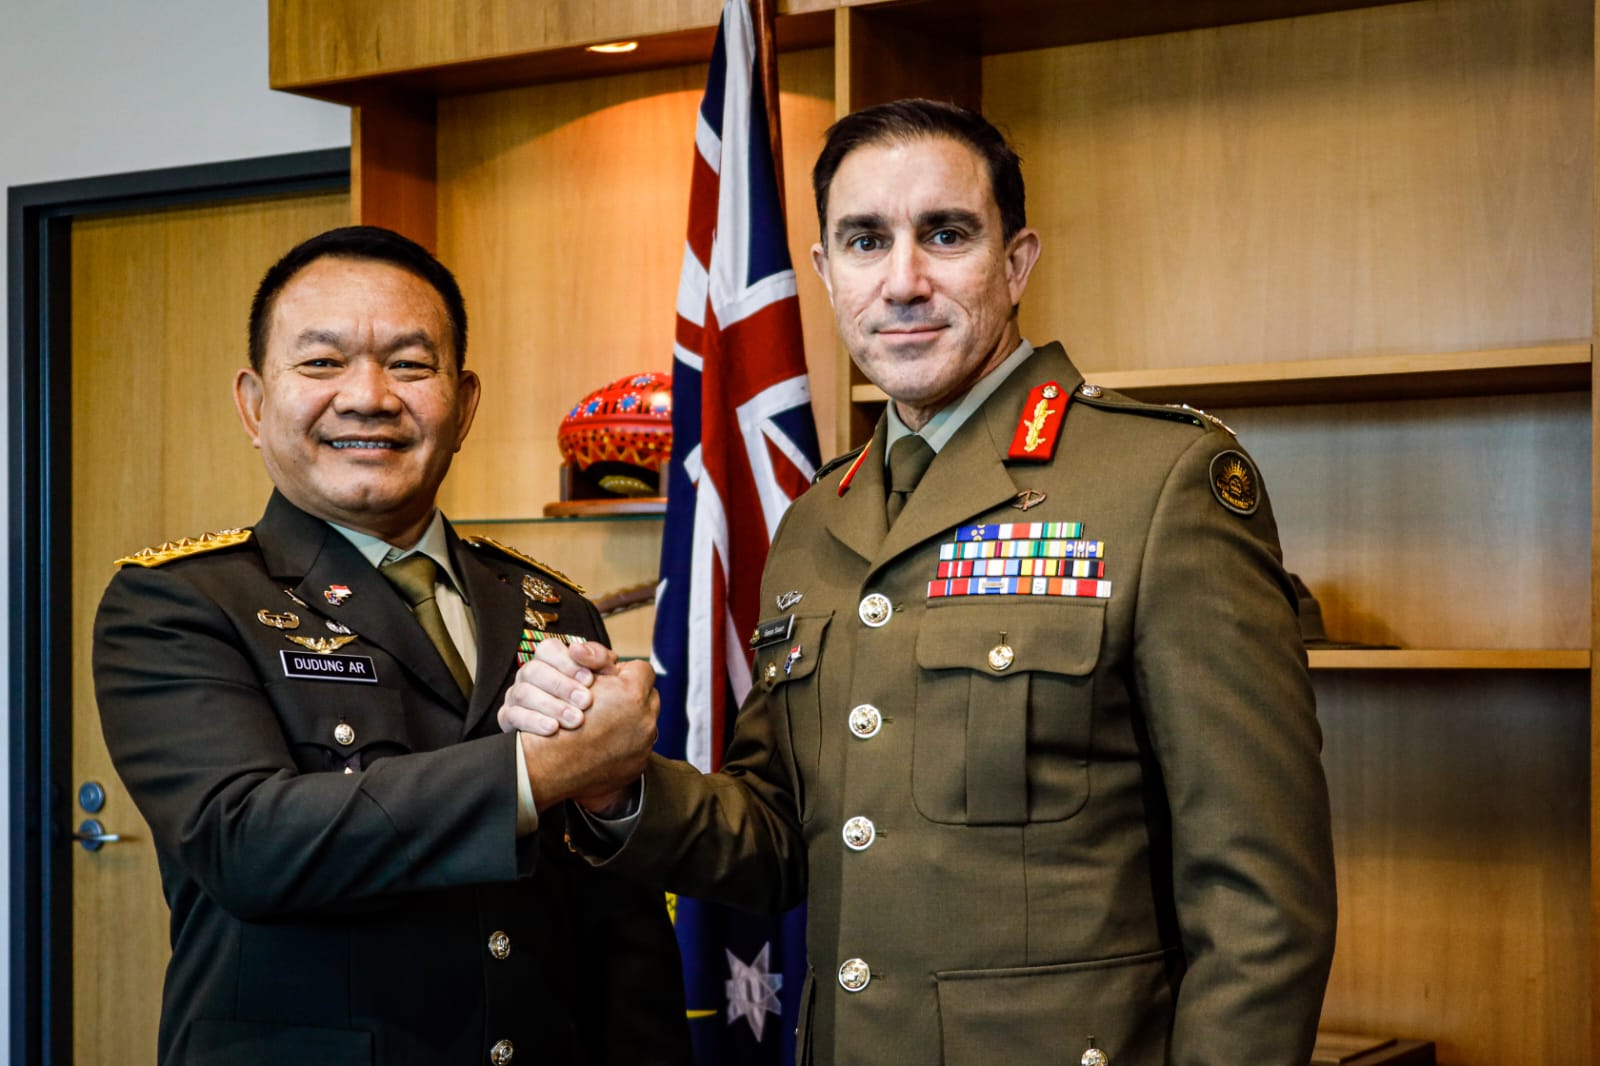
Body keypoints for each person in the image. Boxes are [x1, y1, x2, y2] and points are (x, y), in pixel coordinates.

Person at [504, 100, 1338, 1065]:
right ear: (825, 272)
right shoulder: (816, 520)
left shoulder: (1159, 483)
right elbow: (781, 836)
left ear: (1016, 262)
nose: (903, 282)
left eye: (946, 234)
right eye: (865, 241)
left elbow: (1261, 904)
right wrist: (618, 785)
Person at [93, 225, 689, 1066]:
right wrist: (536, 772)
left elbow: (619, 926)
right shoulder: (180, 603)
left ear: (464, 404)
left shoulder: (553, 606)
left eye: (409, 364)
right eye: (321, 362)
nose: (369, 397)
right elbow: (246, 844)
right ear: (255, 405)